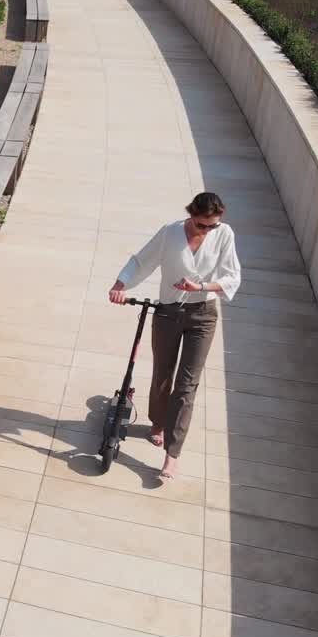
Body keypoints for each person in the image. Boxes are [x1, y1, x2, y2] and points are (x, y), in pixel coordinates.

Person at [108, 192, 240, 480]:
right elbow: (142, 261)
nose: (207, 230)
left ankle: (172, 453)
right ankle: (158, 422)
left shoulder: (224, 234)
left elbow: (232, 277)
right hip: (168, 312)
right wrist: (120, 285)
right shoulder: (170, 233)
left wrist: (202, 286)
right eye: (201, 225)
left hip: (203, 315)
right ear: (191, 214)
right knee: (163, 374)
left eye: (212, 226)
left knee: (186, 385)